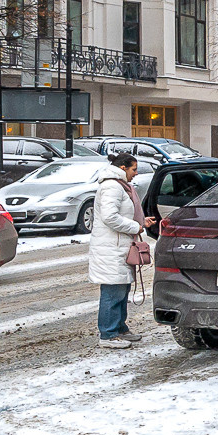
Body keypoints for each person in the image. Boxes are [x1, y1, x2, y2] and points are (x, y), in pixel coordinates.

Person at [87, 149, 147, 349]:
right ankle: (108, 334)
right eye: (134, 169)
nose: (136, 173)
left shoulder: (121, 186)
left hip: (118, 247)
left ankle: (119, 328)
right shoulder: (113, 187)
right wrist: (134, 227)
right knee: (113, 291)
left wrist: (141, 222)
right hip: (110, 248)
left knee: (121, 289)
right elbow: (110, 217)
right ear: (123, 168)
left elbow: (120, 214)